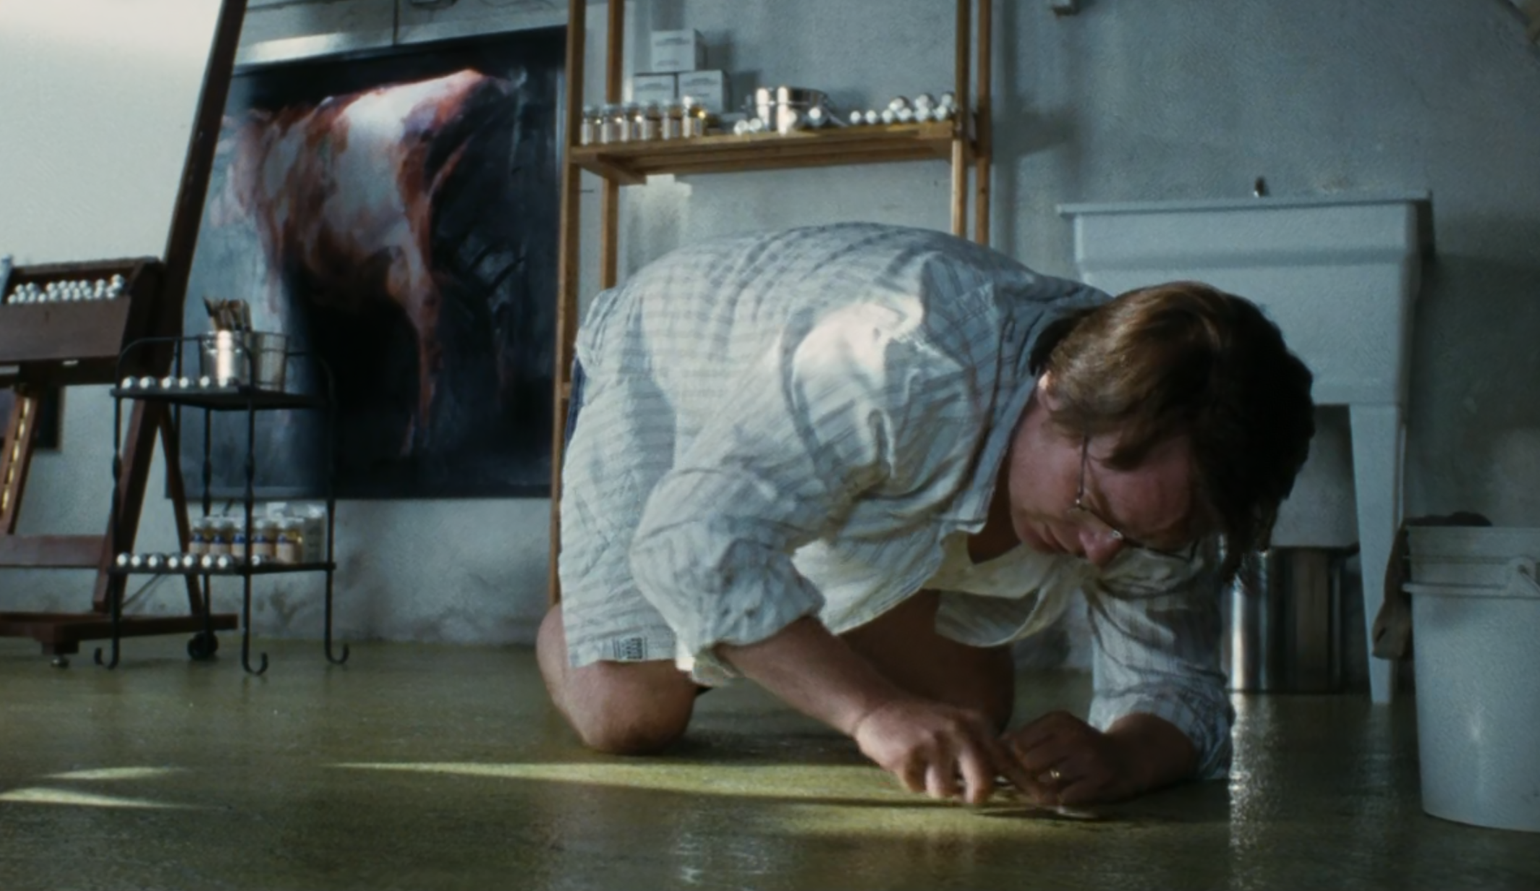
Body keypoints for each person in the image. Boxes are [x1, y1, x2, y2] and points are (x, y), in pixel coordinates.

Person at [539, 222, 1315, 807]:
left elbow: (1177, 685)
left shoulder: (1166, 456)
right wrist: (871, 710)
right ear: (1055, 393)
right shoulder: (898, 355)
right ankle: (582, 629)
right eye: (1093, 509)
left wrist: (1128, 754)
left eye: (1144, 537)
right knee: (630, 718)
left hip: (830, 441)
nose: (1104, 552)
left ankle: (772, 612)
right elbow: (692, 538)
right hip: (671, 355)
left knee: (969, 713)